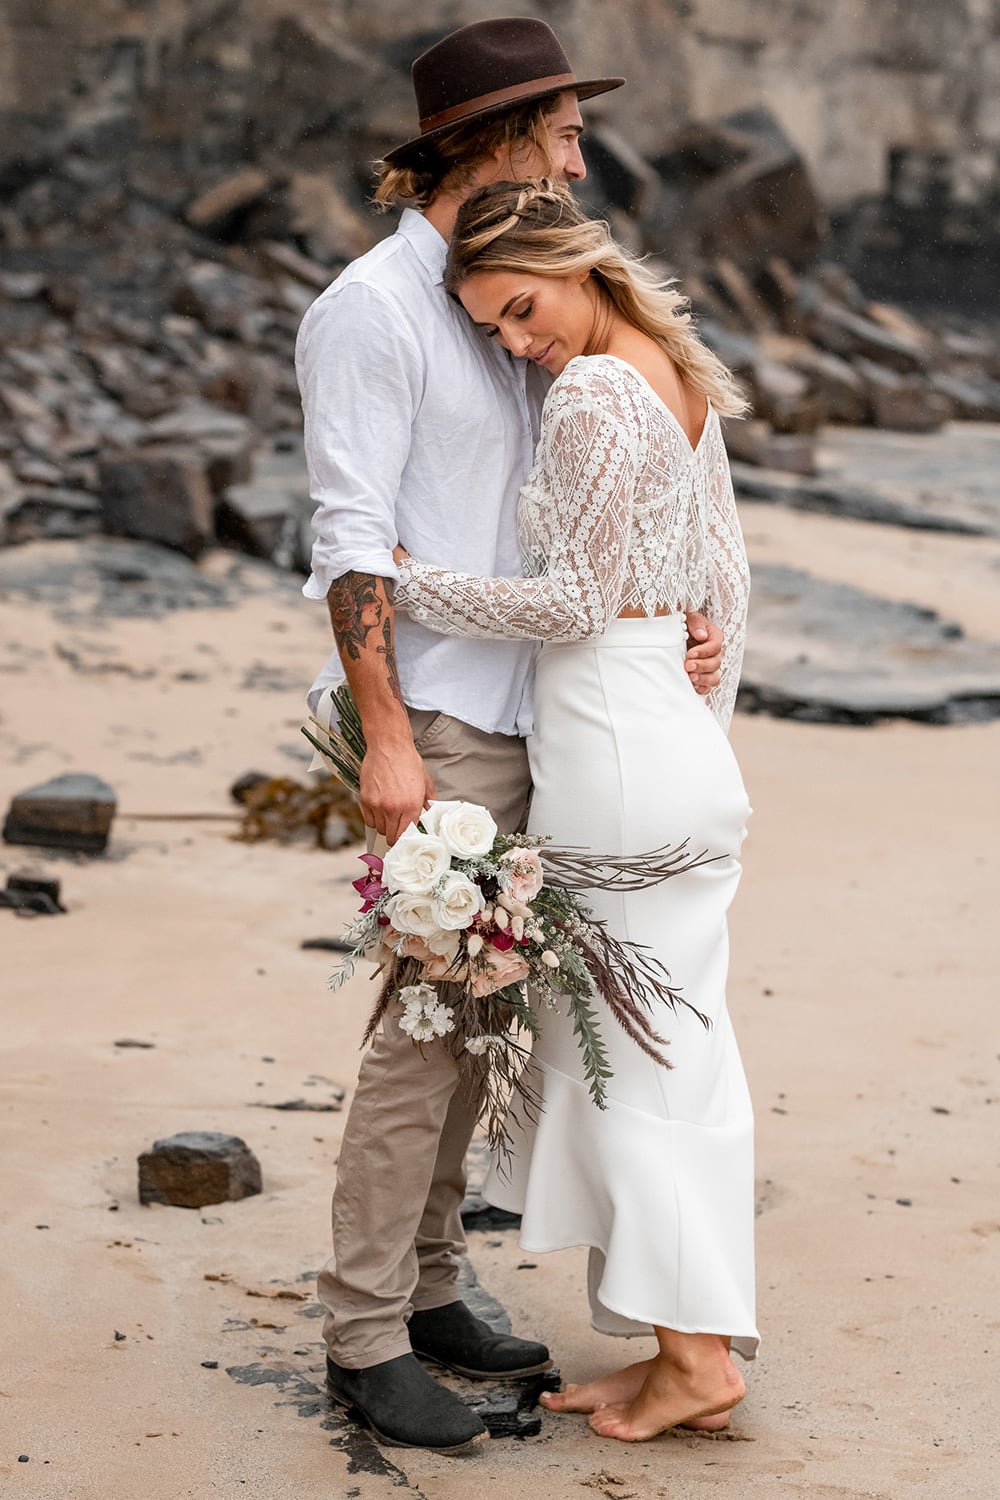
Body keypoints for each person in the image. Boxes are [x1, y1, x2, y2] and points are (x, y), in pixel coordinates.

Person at [297, 18, 724, 1454]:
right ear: (492, 138)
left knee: (484, 1023)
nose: (579, 155)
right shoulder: (374, 310)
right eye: (559, 131)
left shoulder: (509, 298)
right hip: (445, 718)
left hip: (544, 711)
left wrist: (679, 616)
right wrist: (387, 741)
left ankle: (425, 1288)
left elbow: (606, 513)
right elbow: (352, 540)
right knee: (425, 1029)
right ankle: (363, 1335)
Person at [391, 178, 757, 1442]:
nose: (515, 342)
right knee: (678, 1053)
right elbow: (722, 570)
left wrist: (401, 580)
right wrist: (702, 659)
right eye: (492, 327)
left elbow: (573, 603)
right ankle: (679, 1350)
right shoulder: (675, 371)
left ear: (574, 262)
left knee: (627, 1069)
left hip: (614, 752)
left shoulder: (598, 390)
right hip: (669, 743)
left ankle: (697, 1358)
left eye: (520, 308)